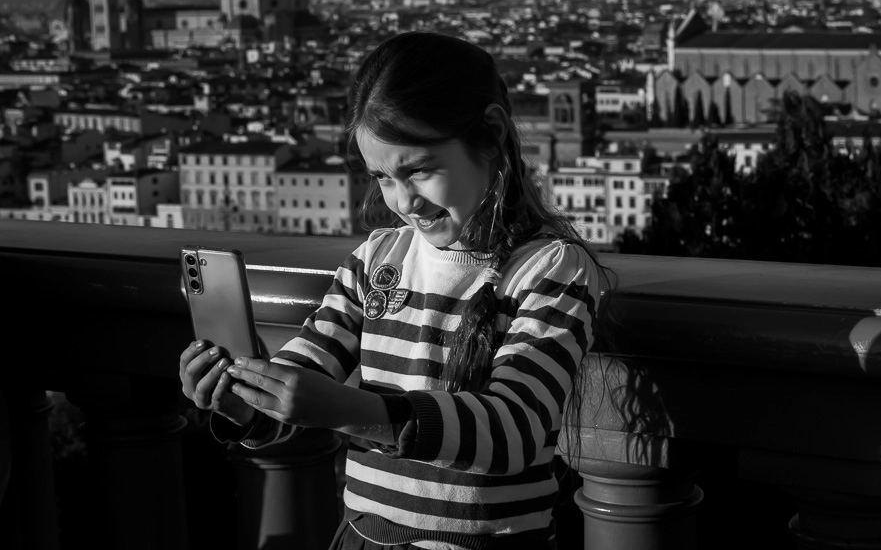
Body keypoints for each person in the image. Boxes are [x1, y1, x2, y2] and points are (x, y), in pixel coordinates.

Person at [179, 31, 609, 550]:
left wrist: (353, 411)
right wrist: (243, 405)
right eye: (382, 177)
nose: (404, 201)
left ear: (491, 134)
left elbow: (514, 431)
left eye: (420, 170)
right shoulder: (375, 263)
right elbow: (300, 392)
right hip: (364, 538)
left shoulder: (550, 269)